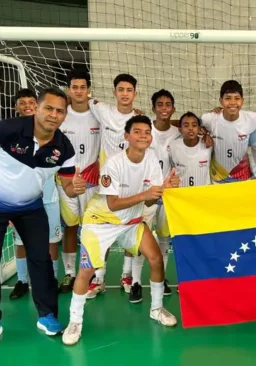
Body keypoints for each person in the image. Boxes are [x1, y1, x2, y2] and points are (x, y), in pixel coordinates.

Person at [0, 87, 84, 346]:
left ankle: (47, 315)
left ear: (65, 116)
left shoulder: (63, 147)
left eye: (60, 111)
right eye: (49, 108)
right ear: (37, 108)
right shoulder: (6, 129)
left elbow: (68, 187)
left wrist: (77, 187)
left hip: (30, 207)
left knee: (42, 258)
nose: (54, 115)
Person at [62, 115, 181, 346]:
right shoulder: (114, 163)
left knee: (156, 259)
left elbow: (148, 203)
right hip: (100, 221)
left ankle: (156, 309)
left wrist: (163, 190)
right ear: (126, 136)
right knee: (87, 271)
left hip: (131, 221)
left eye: (147, 132)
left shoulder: (152, 160)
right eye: (137, 131)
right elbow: (113, 203)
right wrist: (146, 195)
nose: (143, 135)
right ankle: (75, 321)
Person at [80, 73, 139, 294]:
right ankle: (99, 278)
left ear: (135, 93)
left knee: (131, 230)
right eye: (121, 89)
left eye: (129, 90)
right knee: (102, 231)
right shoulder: (102, 109)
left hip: (131, 186)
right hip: (105, 187)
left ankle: (127, 275)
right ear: (115, 92)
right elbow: (78, 98)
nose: (125, 94)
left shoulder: (141, 121)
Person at [8, 89, 63, 300]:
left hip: (49, 196)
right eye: (22, 103)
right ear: (16, 107)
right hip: (21, 199)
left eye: (32, 102)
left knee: (51, 241)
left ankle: (52, 279)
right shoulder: (11, 134)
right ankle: (22, 280)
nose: (28, 106)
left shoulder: (53, 131)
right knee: (21, 242)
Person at [130, 89, 181, 301]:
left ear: (173, 109)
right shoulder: (144, 130)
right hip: (146, 194)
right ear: (153, 108)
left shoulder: (177, 133)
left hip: (167, 194)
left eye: (168, 104)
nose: (164, 108)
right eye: (159, 104)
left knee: (163, 239)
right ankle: (134, 282)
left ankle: (161, 279)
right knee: (140, 239)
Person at [55, 72, 103, 297]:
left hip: (92, 180)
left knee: (93, 228)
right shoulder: (62, 115)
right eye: (74, 87)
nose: (79, 91)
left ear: (89, 90)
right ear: (69, 90)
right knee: (70, 226)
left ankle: (96, 274)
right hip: (66, 179)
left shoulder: (99, 115)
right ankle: (69, 272)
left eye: (83, 87)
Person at [201, 80, 256, 183]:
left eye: (237, 98)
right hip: (218, 178)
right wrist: (204, 134)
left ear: (242, 101)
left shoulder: (252, 118)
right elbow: (189, 123)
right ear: (221, 101)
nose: (232, 103)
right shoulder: (210, 119)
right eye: (228, 98)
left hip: (243, 177)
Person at [168, 112, 213, 188]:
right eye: (186, 125)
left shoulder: (208, 144)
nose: (190, 128)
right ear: (180, 130)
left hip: (203, 193)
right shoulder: (173, 146)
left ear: (199, 128)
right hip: (181, 194)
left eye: (194, 125)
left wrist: (207, 134)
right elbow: (170, 169)